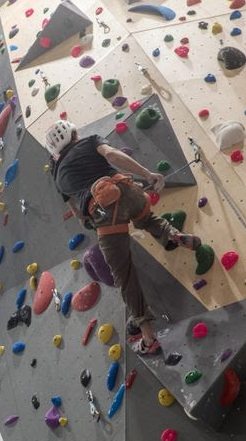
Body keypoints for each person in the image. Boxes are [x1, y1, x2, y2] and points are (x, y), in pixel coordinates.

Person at [47, 120, 201, 355]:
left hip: (103, 209)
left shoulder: (58, 178)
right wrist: (147, 174)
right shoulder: (90, 142)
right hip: (129, 191)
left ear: (56, 153)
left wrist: (90, 221)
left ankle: (149, 338)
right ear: (75, 133)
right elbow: (113, 155)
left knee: (124, 274)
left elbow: (78, 213)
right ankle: (173, 234)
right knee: (146, 218)